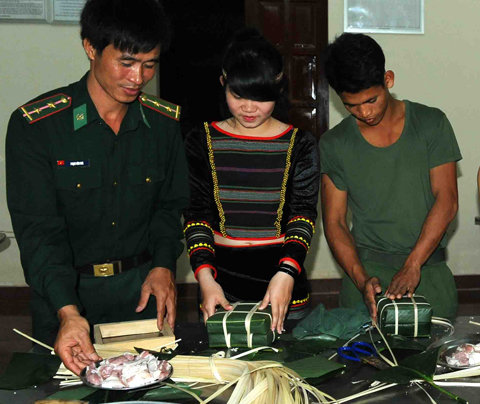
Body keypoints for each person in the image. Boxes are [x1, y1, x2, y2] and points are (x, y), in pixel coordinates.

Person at [5, 0, 188, 375]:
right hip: (65, 298)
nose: (138, 77)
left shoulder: (162, 125)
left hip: (141, 298)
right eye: (126, 62)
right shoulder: (38, 127)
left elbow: (169, 208)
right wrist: (67, 312)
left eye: (149, 64)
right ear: (90, 47)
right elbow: (38, 231)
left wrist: (163, 266)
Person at [183, 29, 320, 334]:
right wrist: (205, 278)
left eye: (260, 97)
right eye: (238, 95)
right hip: (219, 284)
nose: (248, 107)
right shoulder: (201, 140)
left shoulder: (300, 144)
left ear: (279, 87)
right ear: (223, 83)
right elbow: (196, 215)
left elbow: (302, 215)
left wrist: (287, 273)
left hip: (283, 281)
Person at [320, 33, 461, 322]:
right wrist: (361, 279)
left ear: (388, 79)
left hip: (428, 274)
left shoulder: (431, 124)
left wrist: (413, 265)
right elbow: (334, 222)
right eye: (351, 105)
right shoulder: (335, 144)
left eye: (371, 99)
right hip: (365, 281)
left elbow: (447, 200)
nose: (365, 112)